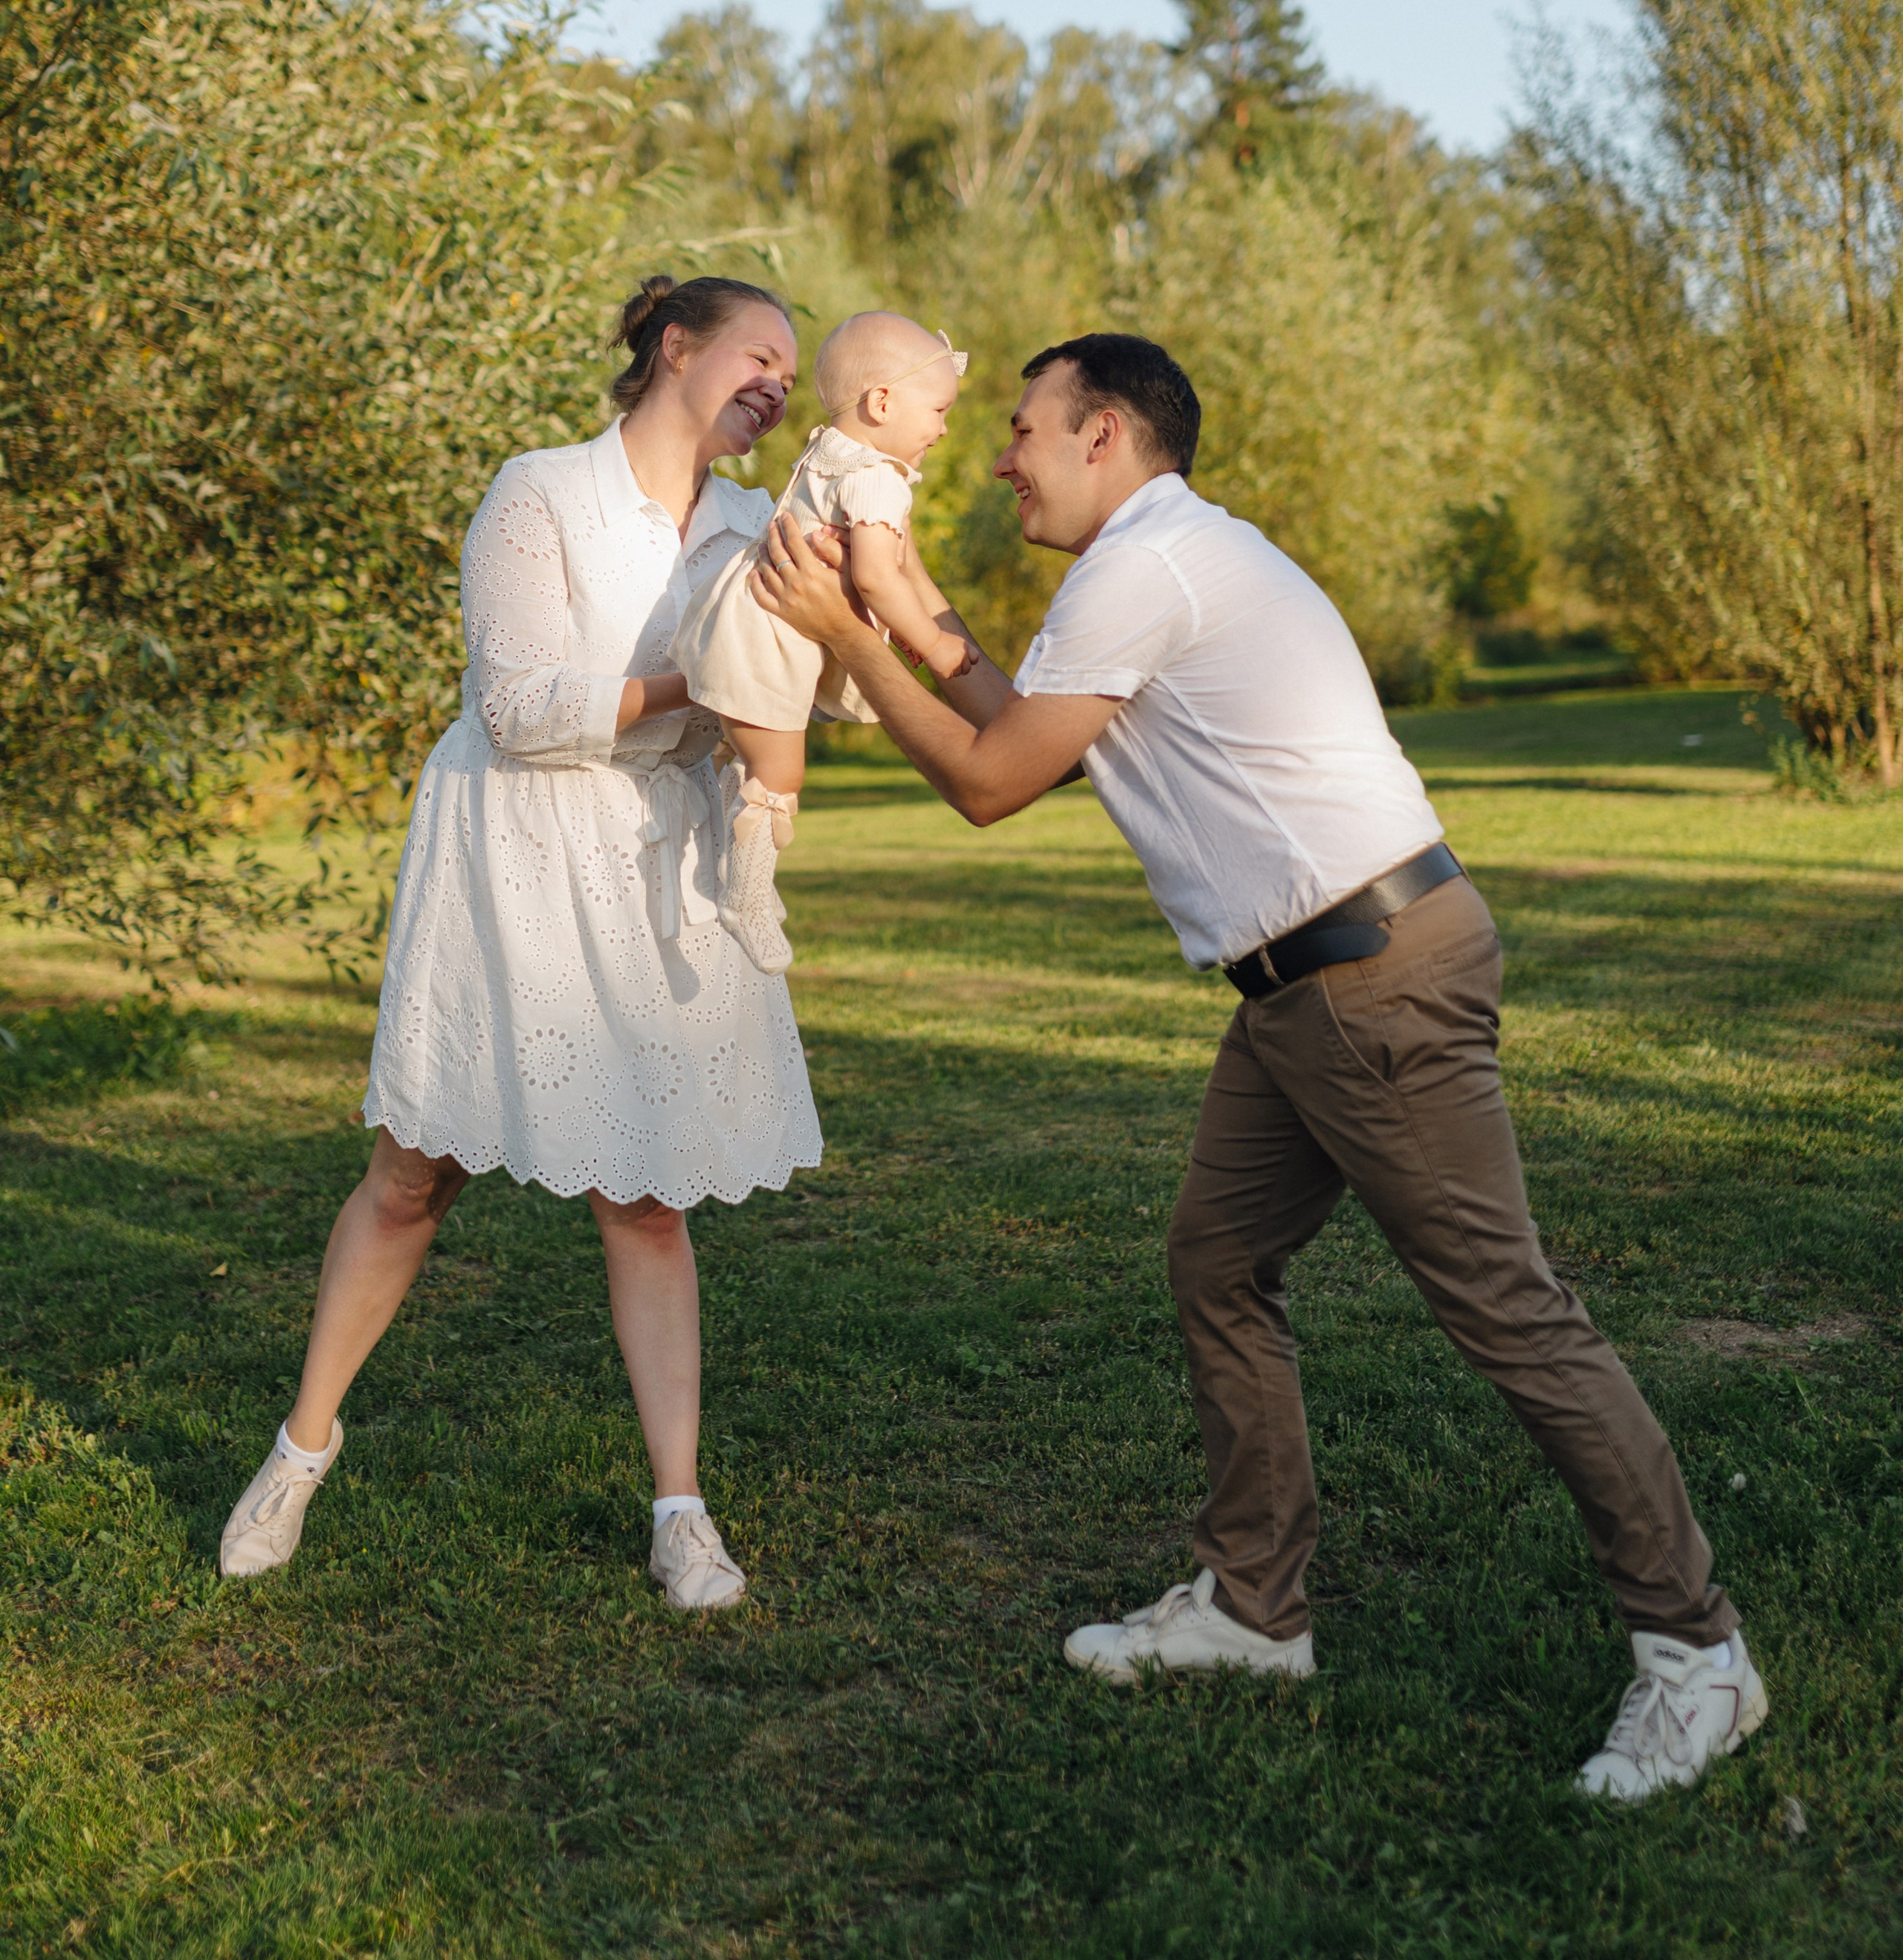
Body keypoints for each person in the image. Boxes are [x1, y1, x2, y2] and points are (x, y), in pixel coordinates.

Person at [749, 330, 1765, 1802]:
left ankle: (1696, 1654)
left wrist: (848, 643)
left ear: (1100, 433)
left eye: (1022, 429)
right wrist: (902, 608)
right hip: (1308, 987)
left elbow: (986, 785)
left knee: (1509, 1314)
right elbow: (1029, 730)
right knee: (1215, 1263)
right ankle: (1249, 1609)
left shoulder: (1141, 569)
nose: (996, 457)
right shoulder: (1158, 558)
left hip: (1369, 983)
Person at [218, 274, 824, 1614]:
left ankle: (682, 1515)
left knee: (646, 1198)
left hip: (660, 857)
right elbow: (523, 704)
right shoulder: (540, 488)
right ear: (677, 347)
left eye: (793, 364)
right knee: (411, 1178)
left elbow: (796, 698)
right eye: (759, 352)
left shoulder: (758, 522)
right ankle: (298, 1451)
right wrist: (712, 679)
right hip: (512, 852)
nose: (782, 379)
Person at [673, 311, 973, 972]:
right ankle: (744, 895)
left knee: (747, 757)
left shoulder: (827, 451)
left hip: (751, 615)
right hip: (773, 631)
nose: (944, 428)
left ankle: (733, 867)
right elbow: (875, 574)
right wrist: (935, 645)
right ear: (883, 402)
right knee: (782, 774)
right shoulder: (878, 478)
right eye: (939, 410)